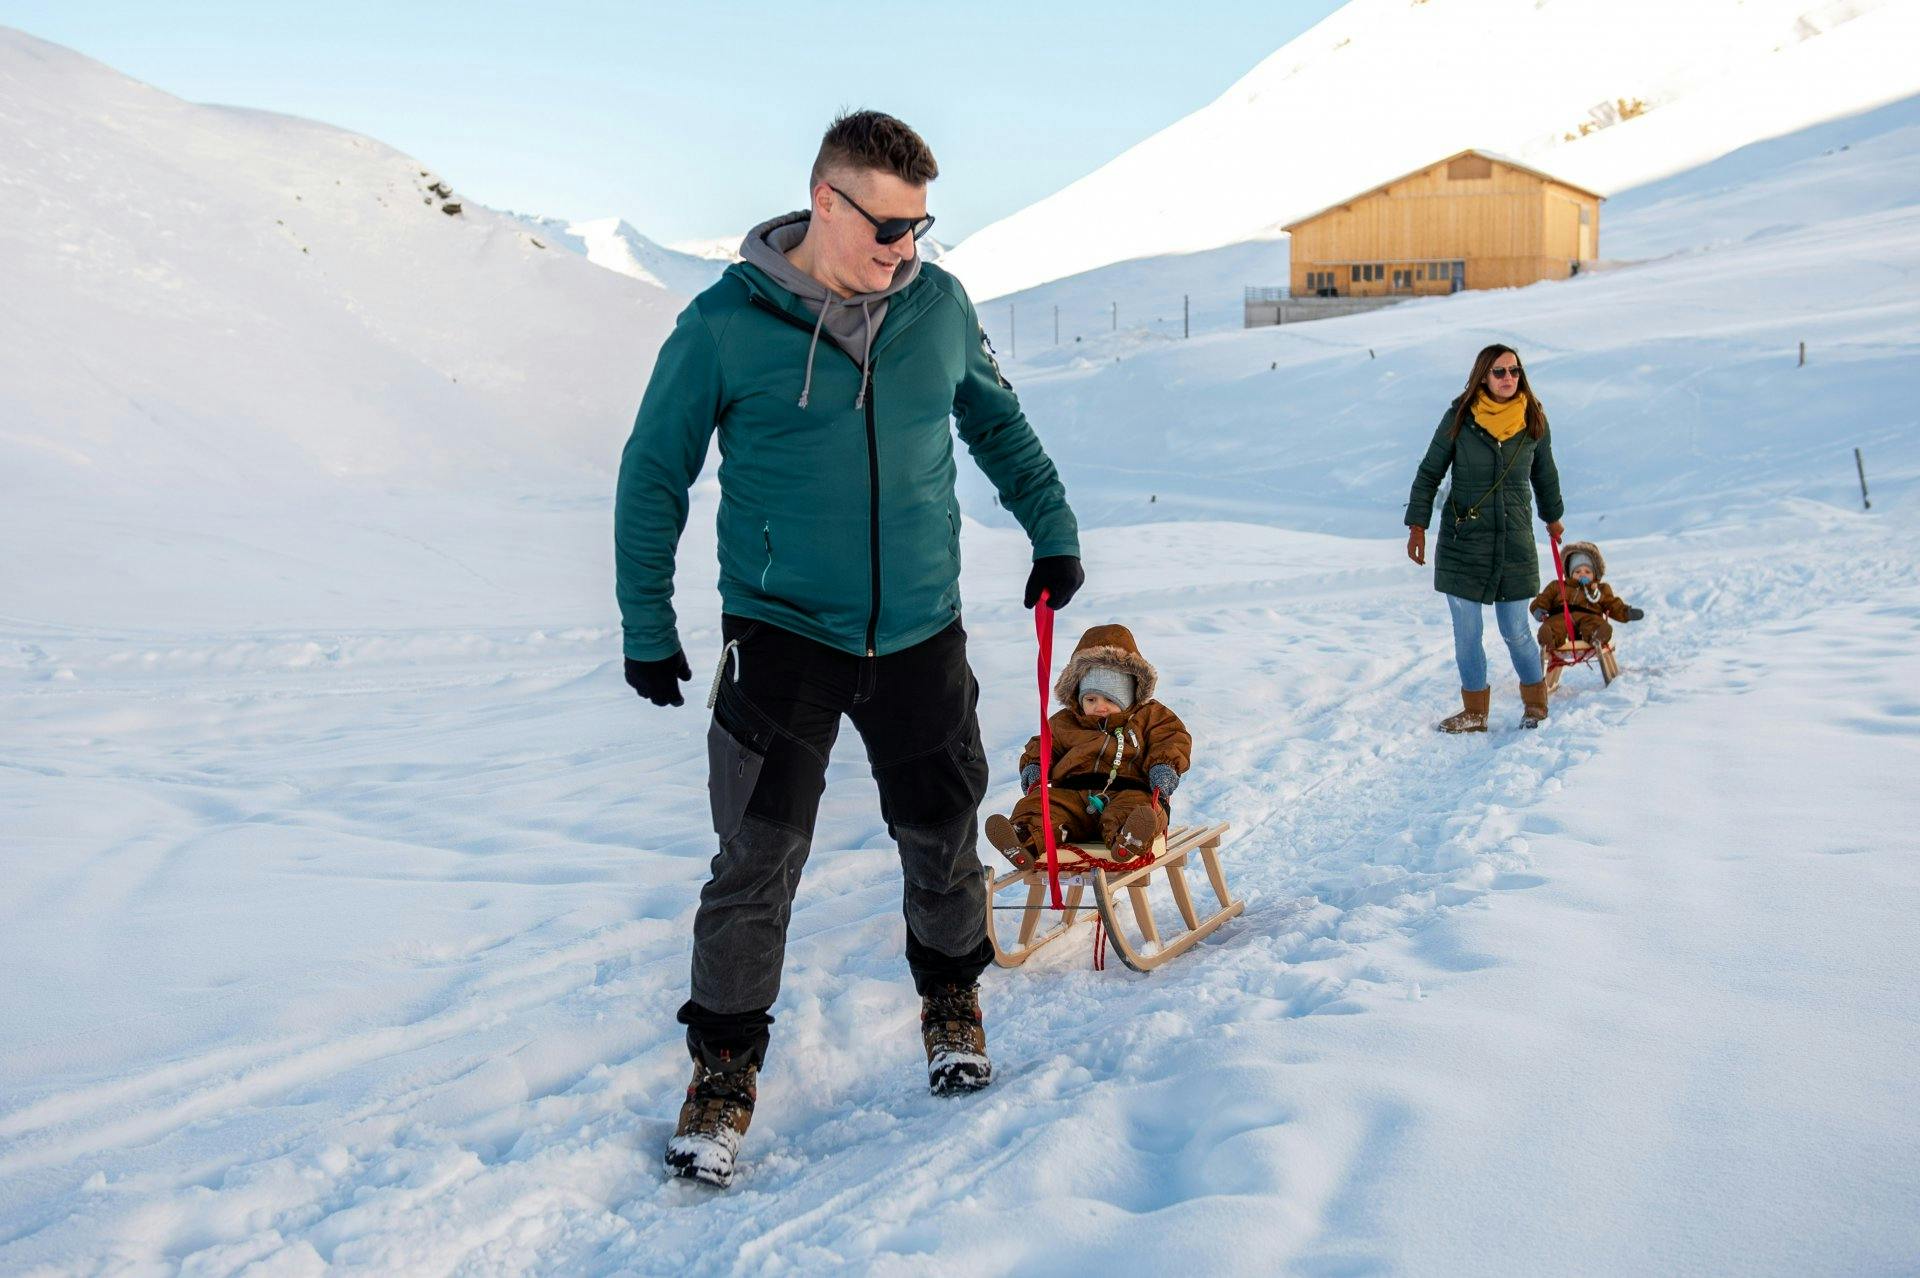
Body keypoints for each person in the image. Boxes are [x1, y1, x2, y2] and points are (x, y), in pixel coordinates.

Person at [614, 110, 1084, 1189]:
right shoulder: (724, 325)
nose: (906, 248)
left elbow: (999, 424)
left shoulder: (940, 306)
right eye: (887, 225)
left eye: (922, 226)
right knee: (758, 857)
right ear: (826, 202)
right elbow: (654, 474)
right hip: (785, 636)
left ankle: (952, 997)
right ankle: (723, 1069)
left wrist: (1051, 532)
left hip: (921, 623)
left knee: (941, 824)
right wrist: (647, 625)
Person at [1404, 345, 1565, 732]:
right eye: (1499, 372)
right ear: (1483, 376)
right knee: (1468, 633)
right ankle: (1475, 711)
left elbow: (1545, 475)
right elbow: (1429, 473)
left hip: (1514, 541)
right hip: (1464, 541)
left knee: (1515, 630)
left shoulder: (1532, 419)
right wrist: (1417, 525)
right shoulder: (1460, 417)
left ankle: (1535, 701)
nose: (1508, 378)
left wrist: (1553, 517)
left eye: (1514, 371)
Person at [985, 624, 1191, 869]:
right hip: (1072, 795)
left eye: (1110, 700)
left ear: (1129, 695)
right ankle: (1023, 838)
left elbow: (1171, 738)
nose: (1099, 707)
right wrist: (1034, 765)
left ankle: (1129, 837)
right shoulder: (1065, 722)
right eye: (1090, 699)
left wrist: (1164, 767)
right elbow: (1043, 745)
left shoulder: (1150, 716)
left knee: (1138, 808)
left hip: (1129, 790)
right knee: (1042, 806)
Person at [1532, 540, 1644, 649]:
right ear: (1569, 573)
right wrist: (1538, 608)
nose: (1582, 575)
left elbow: (1611, 604)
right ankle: (1549, 638)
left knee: (1597, 625)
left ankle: (1597, 636)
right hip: (1562, 616)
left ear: (1595, 574)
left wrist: (1626, 612)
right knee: (1552, 626)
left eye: (1587, 572)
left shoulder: (1600, 589)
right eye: (1577, 572)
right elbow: (1544, 598)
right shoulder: (1557, 586)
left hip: (1588, 617)